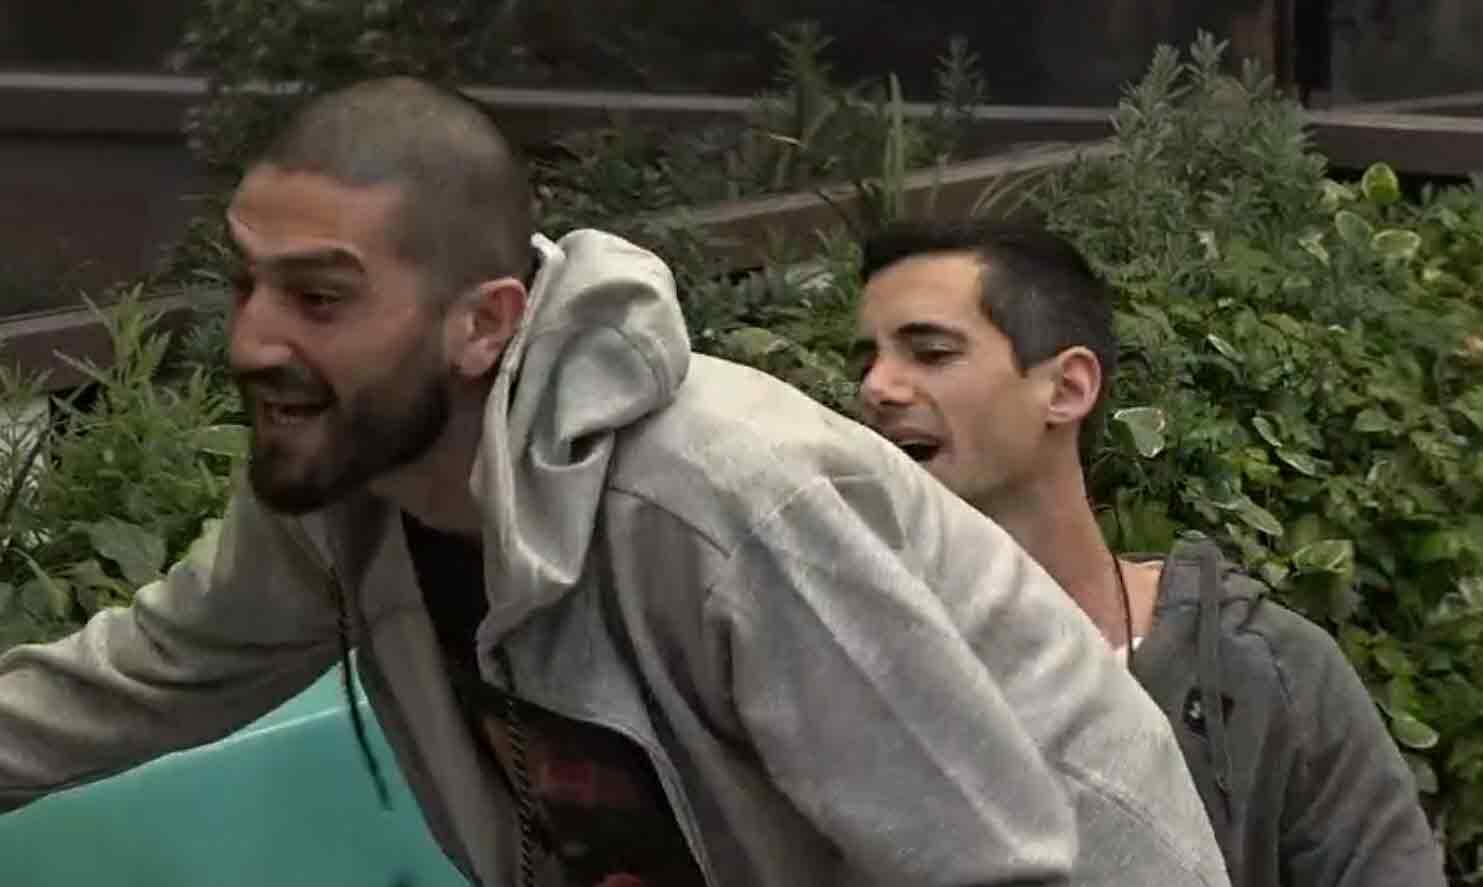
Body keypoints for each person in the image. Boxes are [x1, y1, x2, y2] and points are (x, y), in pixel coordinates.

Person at [0, 78, 1228, 887]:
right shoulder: (349, 483)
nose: (254, 340)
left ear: (484, 323)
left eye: (319, 297)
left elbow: (983, 859)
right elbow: (143, 677)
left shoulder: (722, 502)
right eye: (248, 284)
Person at [852, 219, 1448, 887]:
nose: (876, 387)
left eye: (931, 353)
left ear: (1068, 388)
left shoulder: (1265, 674)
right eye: (865, 362)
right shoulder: (842, 662)